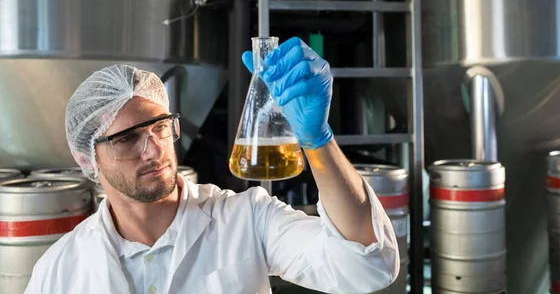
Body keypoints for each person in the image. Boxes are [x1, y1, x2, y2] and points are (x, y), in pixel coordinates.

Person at [25, 37, 400, 294]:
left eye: (159, 128)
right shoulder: (58, 270)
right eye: (126, 139)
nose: (154, 150)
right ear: (87, 158)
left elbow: (366, 266)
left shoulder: (246, 219)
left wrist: (318, 142)